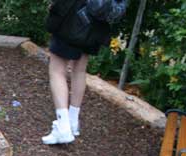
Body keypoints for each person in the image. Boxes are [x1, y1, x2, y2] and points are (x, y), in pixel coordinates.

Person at [42, 0, 126, 145]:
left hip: (73, 19)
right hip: (97, 23)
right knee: (79, 70)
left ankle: (63, 126)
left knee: (57, 70)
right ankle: (73, 122)